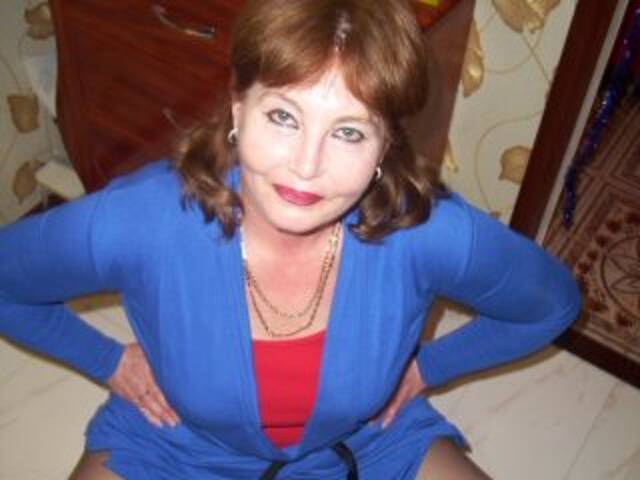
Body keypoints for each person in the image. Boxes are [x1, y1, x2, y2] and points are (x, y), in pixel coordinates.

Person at [0, 0, 581, 478]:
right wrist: (104, 359)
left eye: (349, 132)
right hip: (175, 443)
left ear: (385, 145)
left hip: (365, 441)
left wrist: (430, 367)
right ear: (238, 107)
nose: (306, 166)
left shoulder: (424, 230)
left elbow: (550, 304)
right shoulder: (142, 219)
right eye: (283, 116)